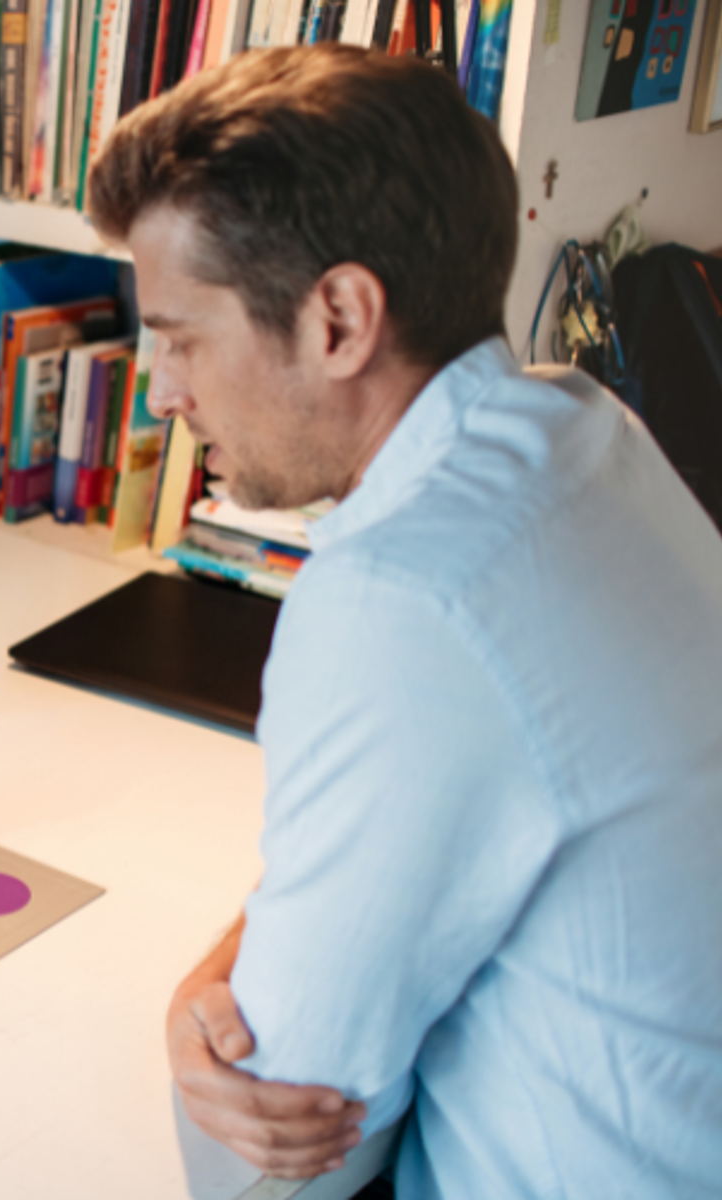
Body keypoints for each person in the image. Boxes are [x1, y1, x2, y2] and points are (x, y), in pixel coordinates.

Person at [86, 44, 722, 1194]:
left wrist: (201, 1018)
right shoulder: (581, 426)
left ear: (337, 318)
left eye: (181, 337)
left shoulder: (399, 596)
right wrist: (216, 969)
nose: (162, 391)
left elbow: (274, 1150)